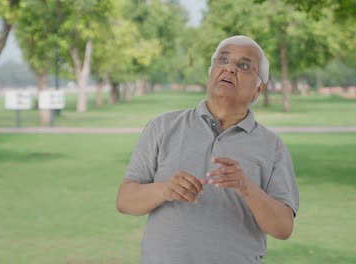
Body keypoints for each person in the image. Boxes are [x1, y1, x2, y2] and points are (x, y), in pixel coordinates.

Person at [116, 35, 299, 264]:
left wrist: (247, 188)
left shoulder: (272, 146)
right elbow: (124, 201)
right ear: (211, 71)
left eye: (243, 65)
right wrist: (164, 190)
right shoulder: (163, 127)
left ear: (258, 89)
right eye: (223, 60)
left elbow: (283, 227)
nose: (230, 68)